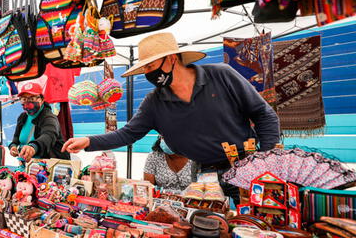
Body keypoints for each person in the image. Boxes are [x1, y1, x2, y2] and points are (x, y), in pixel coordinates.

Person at [62, 32, 280, 202]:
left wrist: (264, 161)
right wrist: (89, 141)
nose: (148, 73)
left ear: (172, 59)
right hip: (203, 172)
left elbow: (264, 115)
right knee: (211, 227)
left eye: (151, 66)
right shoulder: (154, 102)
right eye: (145, 68)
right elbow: (128, 134)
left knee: (256, 223)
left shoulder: (221, 75)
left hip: (245, 165)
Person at [9, 82, 70, 162]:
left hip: (51, 167)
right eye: (24, 99)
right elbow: (16, 138)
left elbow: (48, 135)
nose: (28, 102)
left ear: (41, 99)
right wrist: (13, 147)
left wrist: (33, 147)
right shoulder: (22, 117)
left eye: (32, 98)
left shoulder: (49, 117)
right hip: (28, 165)